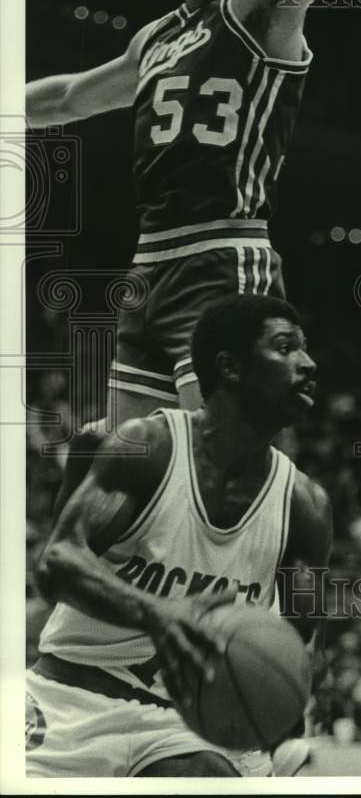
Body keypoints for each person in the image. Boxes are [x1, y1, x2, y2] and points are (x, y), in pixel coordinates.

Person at [26, 0, 361, 433]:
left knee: (223, 466)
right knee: (130, 471)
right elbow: (68, 98)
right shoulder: (153, 41)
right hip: (149, 266)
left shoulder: (260, 12)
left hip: (223, 256)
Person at [26, 293, 332, 778]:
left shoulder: (305, 506)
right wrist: (157, 614)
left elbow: (302, 643)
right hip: (72, 701)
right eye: (285, 347)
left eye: (305, 348)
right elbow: (57, 562)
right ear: (229, 367)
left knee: (202, 771)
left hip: (192, 727)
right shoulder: (148, 447)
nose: (308, 363)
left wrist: (275, 716)